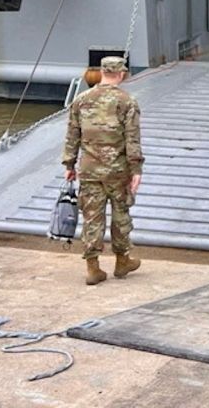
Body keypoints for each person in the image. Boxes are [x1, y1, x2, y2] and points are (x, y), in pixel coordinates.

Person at [61, 55, 144, 285]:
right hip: (118, 171)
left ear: (101, 73)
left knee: (92, 217)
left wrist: (69, 164)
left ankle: (93, 268)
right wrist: (136, 169)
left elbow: (72, 136)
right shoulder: (127, 102)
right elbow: (132, 139)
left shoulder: (81, 100)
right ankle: (122, 261)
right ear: (121, 74)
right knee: (120, 215)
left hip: (89, 170)